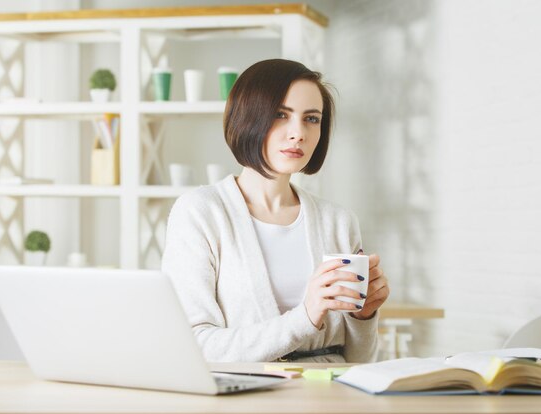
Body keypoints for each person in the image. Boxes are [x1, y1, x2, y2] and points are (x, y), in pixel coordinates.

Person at [162, 59, 390, 363]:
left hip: (333, 398)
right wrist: (305, 316)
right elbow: (194, 346)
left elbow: (359, 361)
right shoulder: (201, 213)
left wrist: (365, 316)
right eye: (281, 115)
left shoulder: (339, 221)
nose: (298, 133)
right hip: (247, 396)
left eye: (311, 119)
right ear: (246, 118)